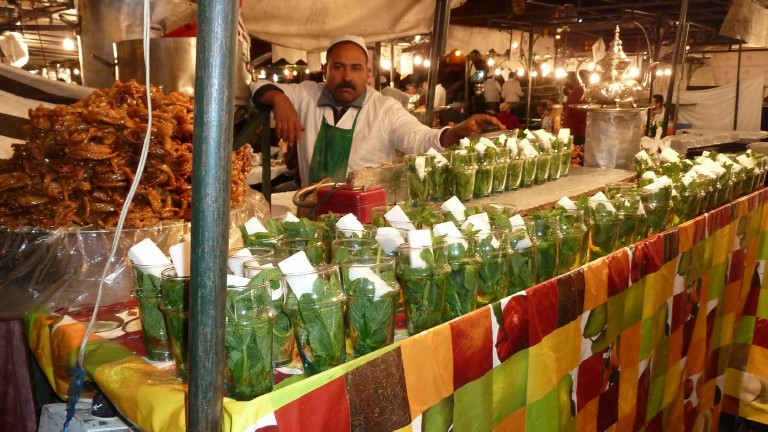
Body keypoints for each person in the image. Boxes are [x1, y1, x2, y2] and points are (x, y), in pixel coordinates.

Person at [249, 35, 503, 186]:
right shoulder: (305, 94)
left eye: (356, 68)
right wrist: (279, 99)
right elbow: (256, 85)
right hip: (310, 215)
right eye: (338, 67)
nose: (346, 76)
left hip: (366, 222)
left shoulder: (385, 109)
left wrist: (456, 132)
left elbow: (420, 139)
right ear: (325, 69)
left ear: (368, 73)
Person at [564, 73, 587, 144]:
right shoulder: (579, 93)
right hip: (578, 132)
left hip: (577, 131)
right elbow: (582, 115)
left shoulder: (578, 92)